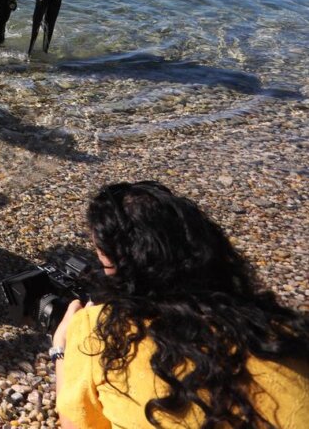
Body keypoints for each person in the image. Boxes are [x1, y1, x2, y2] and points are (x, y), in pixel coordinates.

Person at [52, 181, 309, 428]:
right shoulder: (280, 330)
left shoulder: (100, 330)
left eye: (102, 257)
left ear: (121, 266)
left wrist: (62, 349)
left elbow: (76, 424)